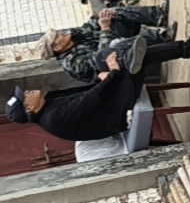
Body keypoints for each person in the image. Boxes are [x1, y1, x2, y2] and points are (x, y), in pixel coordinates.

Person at [42, 4, 190, 84]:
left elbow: (90, 26)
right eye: (58, 36)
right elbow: (103, 57)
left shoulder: (73, 36)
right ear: (57, 48)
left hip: (116, 51)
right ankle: (168, 40)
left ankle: (157, 16)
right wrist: (105, 28)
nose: (61, 33)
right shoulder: (73, 64)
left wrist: (102, 17)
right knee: (118, 45)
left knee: (112, 13)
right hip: (119, 69)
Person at [7, 51, 144, 142]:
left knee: (109, 57)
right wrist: (114, 72)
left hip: (110, 104)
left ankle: (157, 41)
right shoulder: (53, 119)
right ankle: (160, 42)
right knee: (131, 64)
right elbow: (92, 99)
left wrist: (100, 79)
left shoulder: (49, 104)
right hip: (119, 113)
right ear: (30, 108)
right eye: (24, 96)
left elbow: (86, 94)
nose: (27, 92)